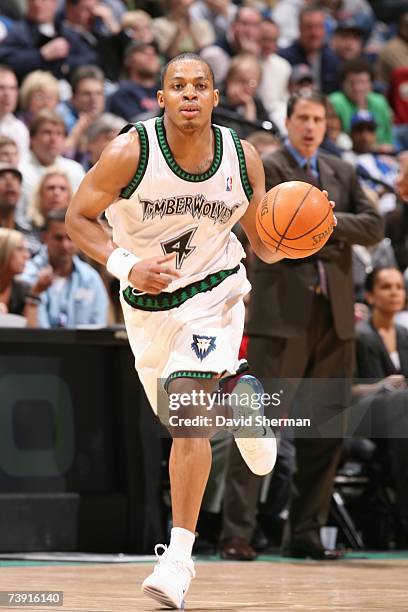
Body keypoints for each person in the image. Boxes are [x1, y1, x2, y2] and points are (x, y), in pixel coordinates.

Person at [64, 52, 311, 608]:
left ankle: (178, 558)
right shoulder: (130, 151)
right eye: (179, 86)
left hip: (215, 291)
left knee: (186, 417)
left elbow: (265, 243)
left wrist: (306, 230)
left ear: (216, 98)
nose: (191, 94)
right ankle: (237, 394)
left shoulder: (242, 159)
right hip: (147, 304)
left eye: (201, 85)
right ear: (161, 98)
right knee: (179, 410)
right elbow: (76, 218)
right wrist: (127, 265)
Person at [220, 90, 383, 562]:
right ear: (288, 122)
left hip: (335, 318)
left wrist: (320, 227)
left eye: (318, 119)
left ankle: (306, 533)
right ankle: (237, 532)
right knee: (258, 426)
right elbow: (265, 231)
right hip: (280, 316)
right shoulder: (266, 168)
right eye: (302, 118)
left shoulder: (344, 172)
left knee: (326, 430)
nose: (311, 126)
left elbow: (373, 226)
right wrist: (315, 233)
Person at [352, 266, 408, 547]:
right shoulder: (359, 336)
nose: (395, 292)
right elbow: (346, 389)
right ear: (371, 296)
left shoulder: (404, 334)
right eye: (386, 287)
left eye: (399, 286)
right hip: (364, 415)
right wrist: (382, 385)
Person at [21, 208, 108, 328]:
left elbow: (98, 326)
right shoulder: (27, 274)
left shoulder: (91, 278)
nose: (65, 245)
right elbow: (30, 331)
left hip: (82, 346)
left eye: (70, 238)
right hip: (38, 345)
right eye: (58, 238)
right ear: (45, 238)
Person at [0, 227, 49, 325]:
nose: (26, 255)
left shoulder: (23, 289)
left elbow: (30, 335)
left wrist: (35, 293)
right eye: (19, 249)